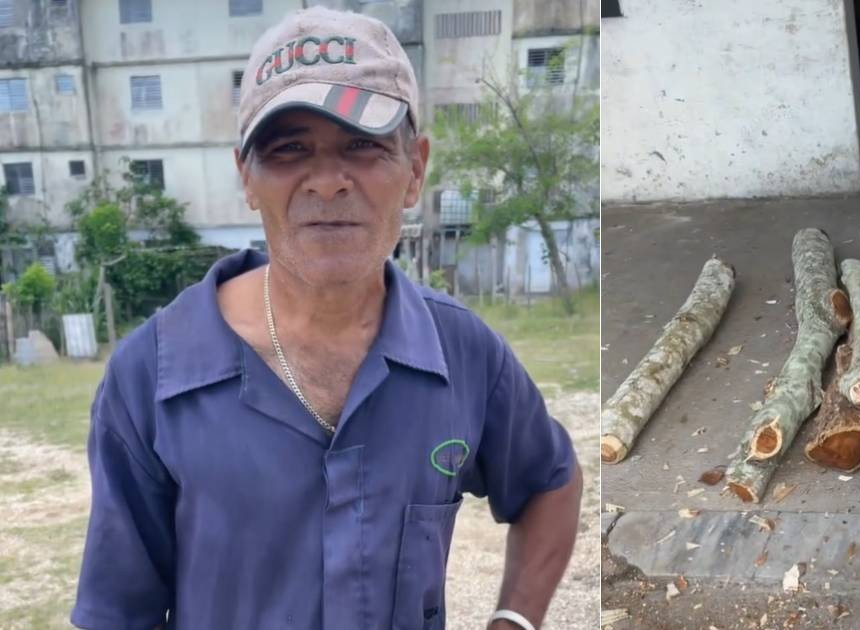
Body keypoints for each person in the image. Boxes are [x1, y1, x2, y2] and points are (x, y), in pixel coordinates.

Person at [70, 7, 581, 630]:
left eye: (363, 146)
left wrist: (514, 619)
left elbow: (550, 480)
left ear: (415, 169)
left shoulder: (465, 354)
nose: (329, 182)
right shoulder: (149, 377)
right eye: (290, 150)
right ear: (247, 178)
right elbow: (116, 614)